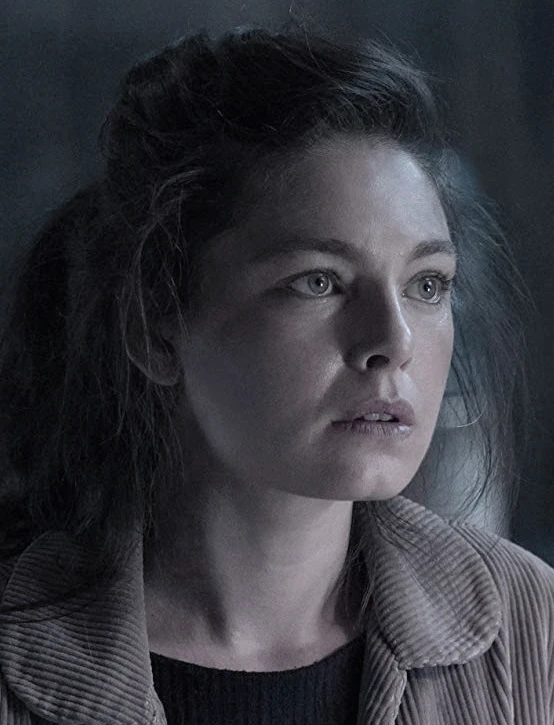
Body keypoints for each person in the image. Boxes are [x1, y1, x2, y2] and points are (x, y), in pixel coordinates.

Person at [0, 20, 551, 725]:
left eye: (427, 284)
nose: (393, 341)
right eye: (319, 281)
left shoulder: (531, 629)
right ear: (154, 324)